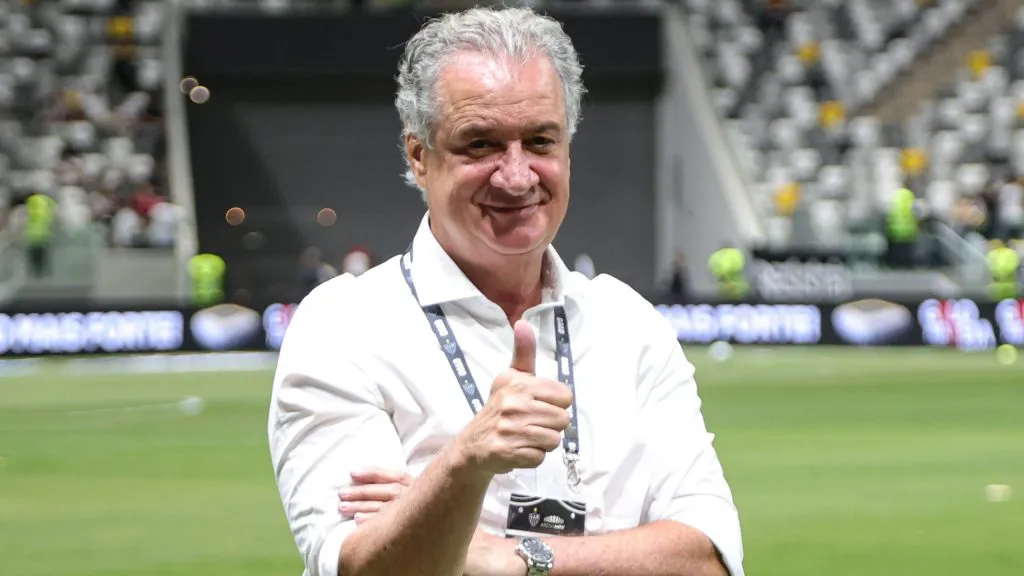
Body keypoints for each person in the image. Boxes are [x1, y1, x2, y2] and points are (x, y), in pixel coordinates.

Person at [268, 7, 743, 576]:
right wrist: (465, 460)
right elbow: (364, 568)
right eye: (480, 144)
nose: (516, 176)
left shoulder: (630, 326)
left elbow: (708, 560)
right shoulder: (343, 327)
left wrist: (510, 556)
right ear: (419, 157)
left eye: (540, 141)